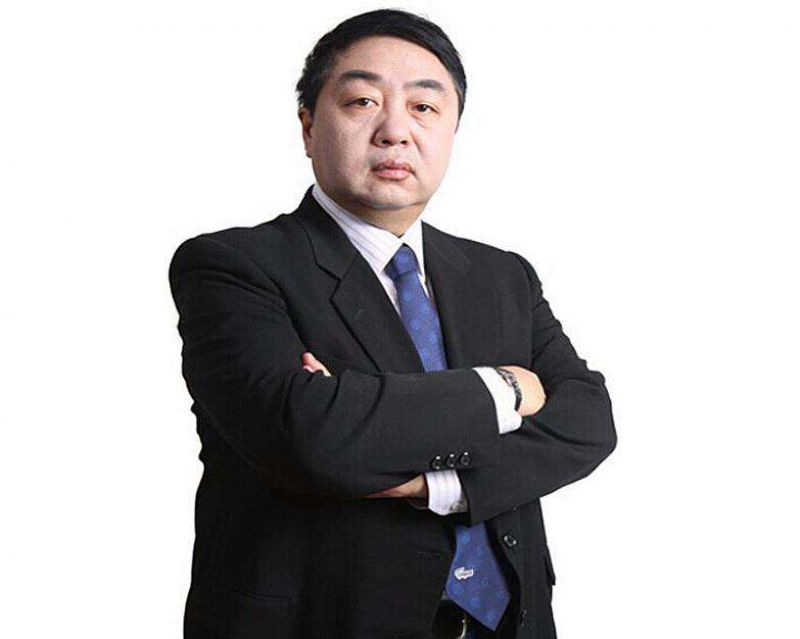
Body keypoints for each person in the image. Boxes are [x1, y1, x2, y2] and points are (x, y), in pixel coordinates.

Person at [168, 9, 616, 639]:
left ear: (453, 131)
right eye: (362, 102)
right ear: (308, 126)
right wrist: (507, 389)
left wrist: (433, 481)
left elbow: (588, 423)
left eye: (424, 108)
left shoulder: (502, 275)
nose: (395, 131)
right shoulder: (233, 266)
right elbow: (311, 437)